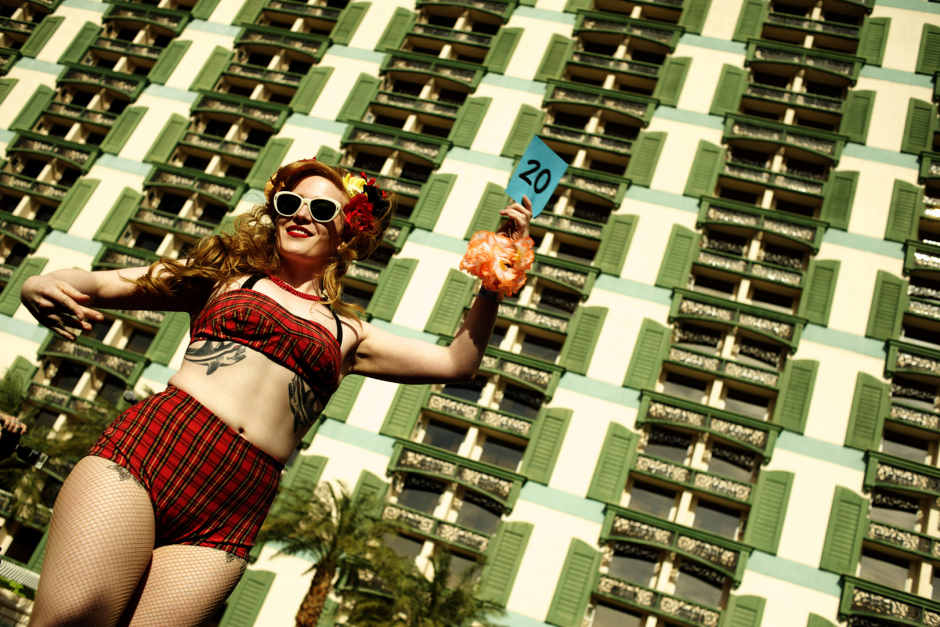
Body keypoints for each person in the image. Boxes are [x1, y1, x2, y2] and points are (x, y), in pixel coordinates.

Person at [18, 159, 533, 627]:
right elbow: (98, 283)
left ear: (348, 230)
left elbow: (458, 362)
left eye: (321, 208)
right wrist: (41, 283)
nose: (299, 214)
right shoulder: (225, 279)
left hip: (234, 506)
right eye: (289, 204)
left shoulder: (351, 335)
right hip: (152, 454)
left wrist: (496, 273)